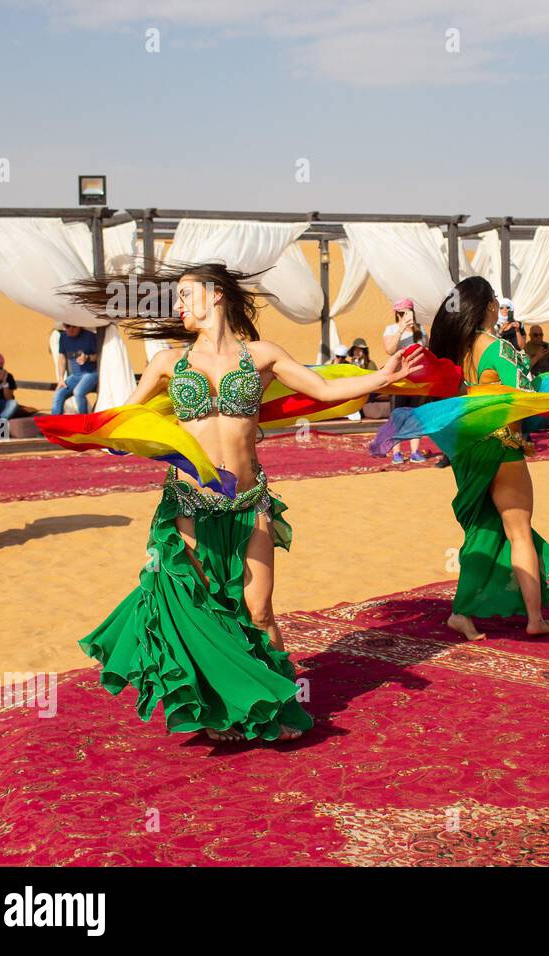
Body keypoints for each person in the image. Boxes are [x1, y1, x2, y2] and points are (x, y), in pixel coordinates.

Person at [48, 261, 424, 743]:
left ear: (215, 295)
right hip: (190, 501)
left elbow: (325, 389)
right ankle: (221, 711)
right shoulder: (168, 363)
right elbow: (125, 417)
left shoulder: (263, 355)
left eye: (186, 296)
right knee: (203, 605)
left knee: (259, 606)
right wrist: (90, 433)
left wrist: (381, 379)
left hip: (248, 500)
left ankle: (277, 704)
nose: (178, 306)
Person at [425, 277, 549, 641]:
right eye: (496, 302)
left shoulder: (453, 352)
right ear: (487, 308)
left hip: (466, 450)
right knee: (518, 532)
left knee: (482, 528)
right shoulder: (498, 349)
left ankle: (461, 612)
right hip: (501, 446)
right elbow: (526, 393)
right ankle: (535, 618)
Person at [383, 299, 427, 464]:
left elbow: (425, 351)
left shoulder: (420, 330)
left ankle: (415, 451)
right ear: (397, 314)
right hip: (399, 380)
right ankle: (397, 452)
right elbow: (389, 350)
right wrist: (401, 329)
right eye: (403, 313)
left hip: (417, 380)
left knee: (416, 416)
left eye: (409, 312)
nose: (407, 315)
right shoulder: (391, 329)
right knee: (398, 416)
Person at [51, 324, 100, 414]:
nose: (71, 329)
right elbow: (61, 357)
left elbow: (100, 356)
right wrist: (61, 378)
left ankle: (84, 421)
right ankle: (54, 422)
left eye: (74, 326)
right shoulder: (63, 337)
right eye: (67, 326)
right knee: (59, 393)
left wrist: (87, 357)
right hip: (75, 375)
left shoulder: (90, 336)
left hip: (91, 373)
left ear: (79, 326)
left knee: (78, 392)